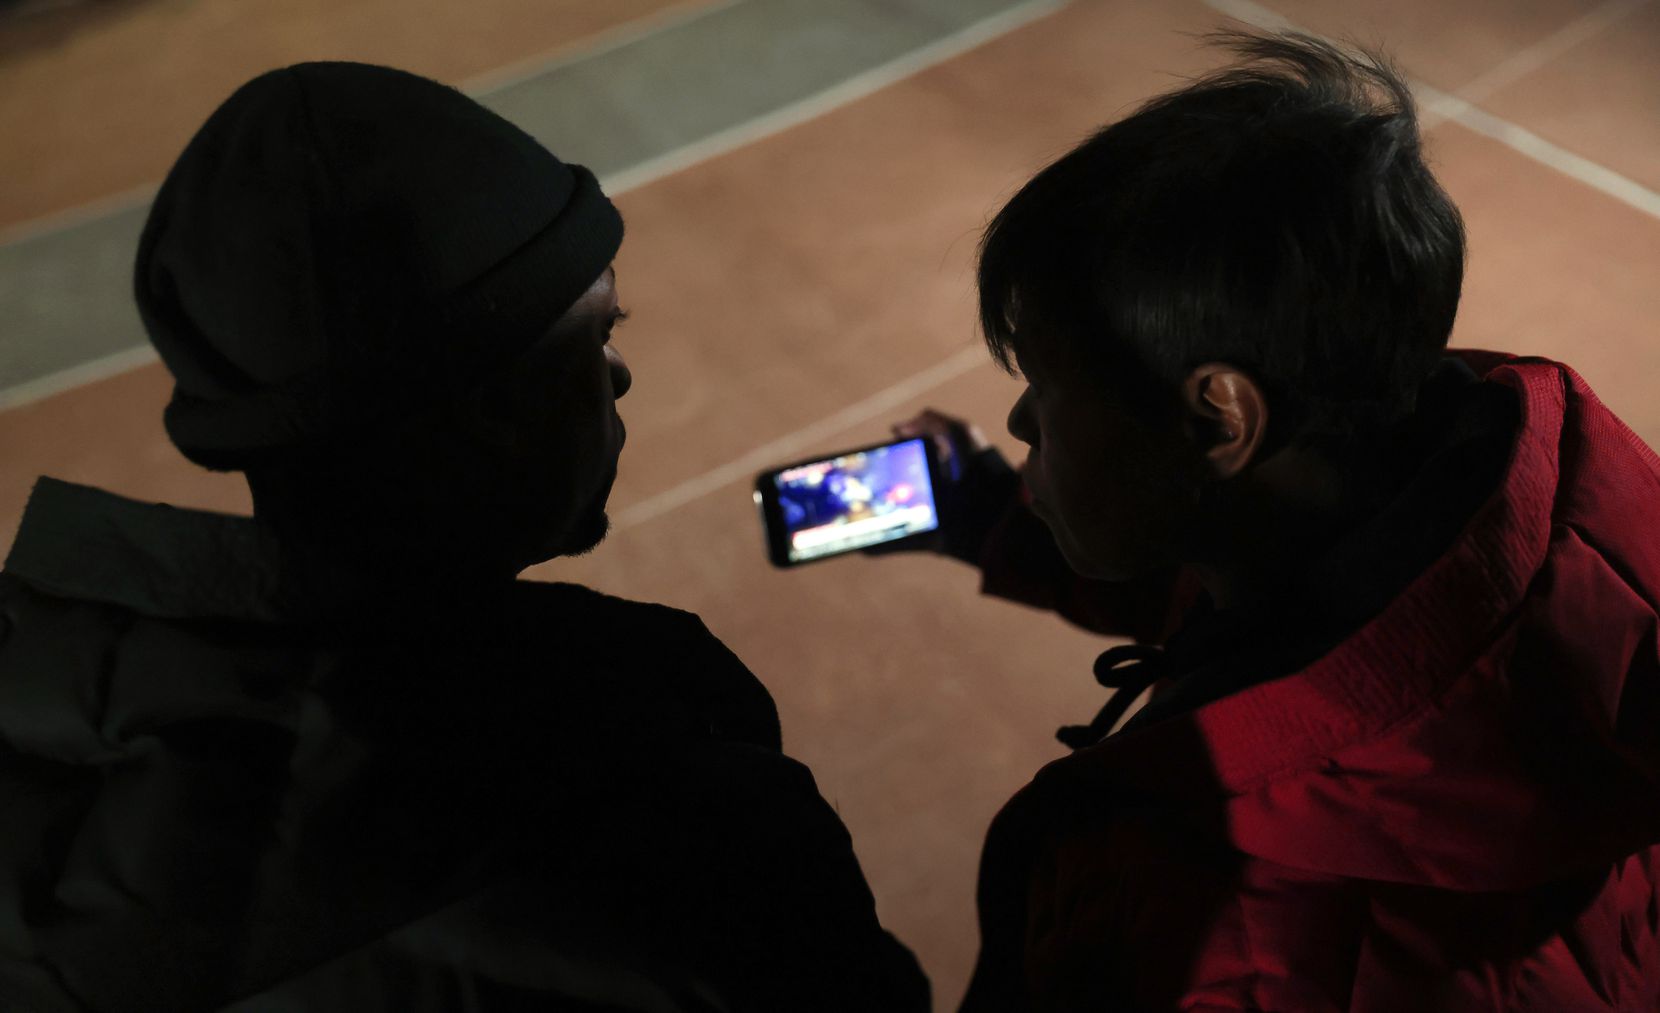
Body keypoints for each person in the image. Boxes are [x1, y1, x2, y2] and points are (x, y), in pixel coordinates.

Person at [0, 62, 928, 1012]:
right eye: (596, 333)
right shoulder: (673, 805)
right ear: (485, 410)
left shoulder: (56, 728)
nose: (619, 374)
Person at [888, 31, 1660, 1011]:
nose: (1019, 422)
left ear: (1220, 415)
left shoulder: (1229, 938)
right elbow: (1261, 572)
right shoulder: (1557, 524)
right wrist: (1007, 521)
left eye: (1046, 386)